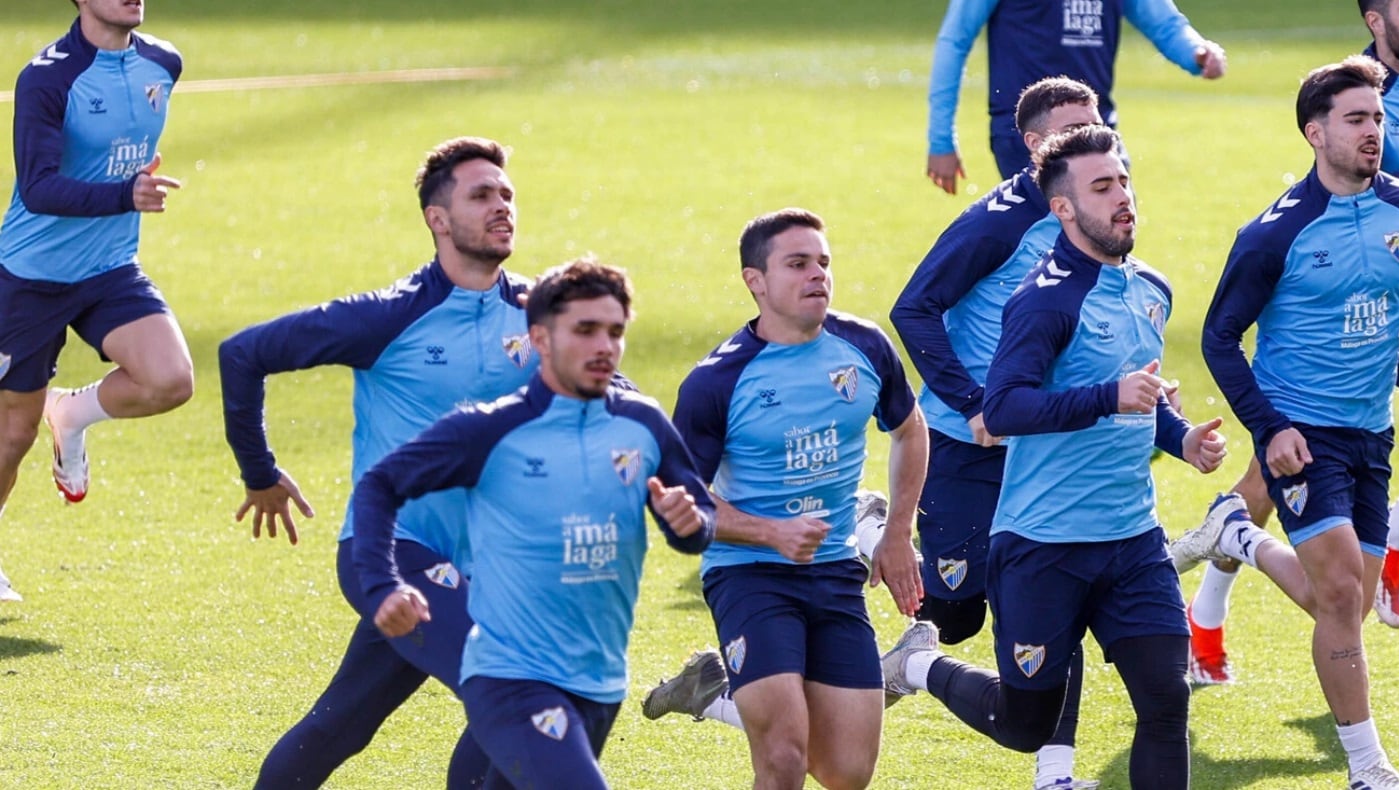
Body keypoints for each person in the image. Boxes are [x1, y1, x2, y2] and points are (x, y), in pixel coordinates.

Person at [881, 125, 1229, 790]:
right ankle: (918, 667)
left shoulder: (1149, 289)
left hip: (1132, 542)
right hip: (1044, 548)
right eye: (1103, 187)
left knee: (1165, 704)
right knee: (1025, 726)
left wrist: (1180, 437)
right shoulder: (1043, 301)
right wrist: (1108, 396)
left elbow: (1139, 392)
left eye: (1124, 180)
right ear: (1064, 209)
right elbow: (1005, 409)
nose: (1123, 197)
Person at [1179, 0, 1399, 681]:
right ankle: (1207, 612)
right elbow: (1375, 196)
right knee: (1283, 462)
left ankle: (1389, 543)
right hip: (1337, 299)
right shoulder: (1352, 98)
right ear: (1375, 21)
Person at [219, 137, 538, 788]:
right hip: (393, 553)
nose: (501, 205)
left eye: (506, 193)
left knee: (338, 727)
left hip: (487, 568)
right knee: (511, 689)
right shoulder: (388, 317)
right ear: (438, 219)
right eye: (481, 195)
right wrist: (260, 472)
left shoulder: (542, 315)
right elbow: (242, 353)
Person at [357, 258, 715, 789]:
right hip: (510, 676)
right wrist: (382, 583)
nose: (604, 347)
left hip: (598, 681)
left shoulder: (642, 424)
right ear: (540, 337)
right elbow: (379, 486)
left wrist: (687, 522)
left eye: (615, 331)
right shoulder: (489, 429)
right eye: (585, 330)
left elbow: (698, 521)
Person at [891, 75, 1107, 790]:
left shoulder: (1099, 211)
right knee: (952, 615)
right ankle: (877, 534)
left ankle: (1057, 771)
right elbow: (913, 308)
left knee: (1053, 598)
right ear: (1036, 143)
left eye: (1097, 121)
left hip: (1044, 449)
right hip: (963, 441)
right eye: (1074, 128)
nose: (1092, 136)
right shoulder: (996, 223)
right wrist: (973, 400)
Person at [669, 208, 928, 790]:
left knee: (847, 772)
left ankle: (713, 689)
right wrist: (769, 533)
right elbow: (679, 505)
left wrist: (897, 532)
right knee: (783, 758)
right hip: (748, 575)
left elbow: (910, 429)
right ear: (754, 281)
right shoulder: (717, 381)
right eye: (797, 264)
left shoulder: (863, 347)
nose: (818, 275)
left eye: (823, 262)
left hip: (835, 571)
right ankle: (740, 689)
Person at [0, 0, 192, 601]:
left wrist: (126, 190)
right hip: (31, 276)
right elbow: (37, 187)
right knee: (12, 434)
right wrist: (124, 195)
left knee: (170, 380)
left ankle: (73, 413)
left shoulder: (164, 62)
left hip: (109, 267)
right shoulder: (48, 77)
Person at [924, 0, 1227, 194]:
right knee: (1057, 249)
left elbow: (1164, 22)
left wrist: (1197, 52)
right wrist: (941, 141)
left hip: (1098, 130)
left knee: (1111, 241)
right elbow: (954, 40)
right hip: (1029, 136)